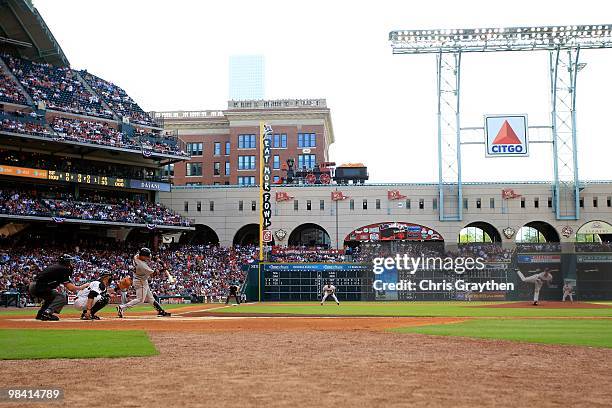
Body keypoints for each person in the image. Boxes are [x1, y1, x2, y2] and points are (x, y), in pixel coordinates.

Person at [28, 254, 88, 321]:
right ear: (66, 262)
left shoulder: (58, 267)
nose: (71, 263)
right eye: (69, 261)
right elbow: (70, 287)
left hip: (34, 285)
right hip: (38, 286)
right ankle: (47, 313)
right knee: (61, 297)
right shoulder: (64, 269)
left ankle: (41, 314)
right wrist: (81, 287)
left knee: (51, 298)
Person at [116, 248, 171, 318]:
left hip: (142, 279)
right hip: (140, 281)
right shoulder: (141, 266)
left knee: (151, 298)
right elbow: (153, 274)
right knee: (140, 300)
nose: (148, 258)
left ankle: (161, 311)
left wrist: (162, 263)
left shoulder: (137, 256)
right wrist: (163, 269)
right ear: (142, 256)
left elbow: (153, 258)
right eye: (146, 257)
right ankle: (122, 307)